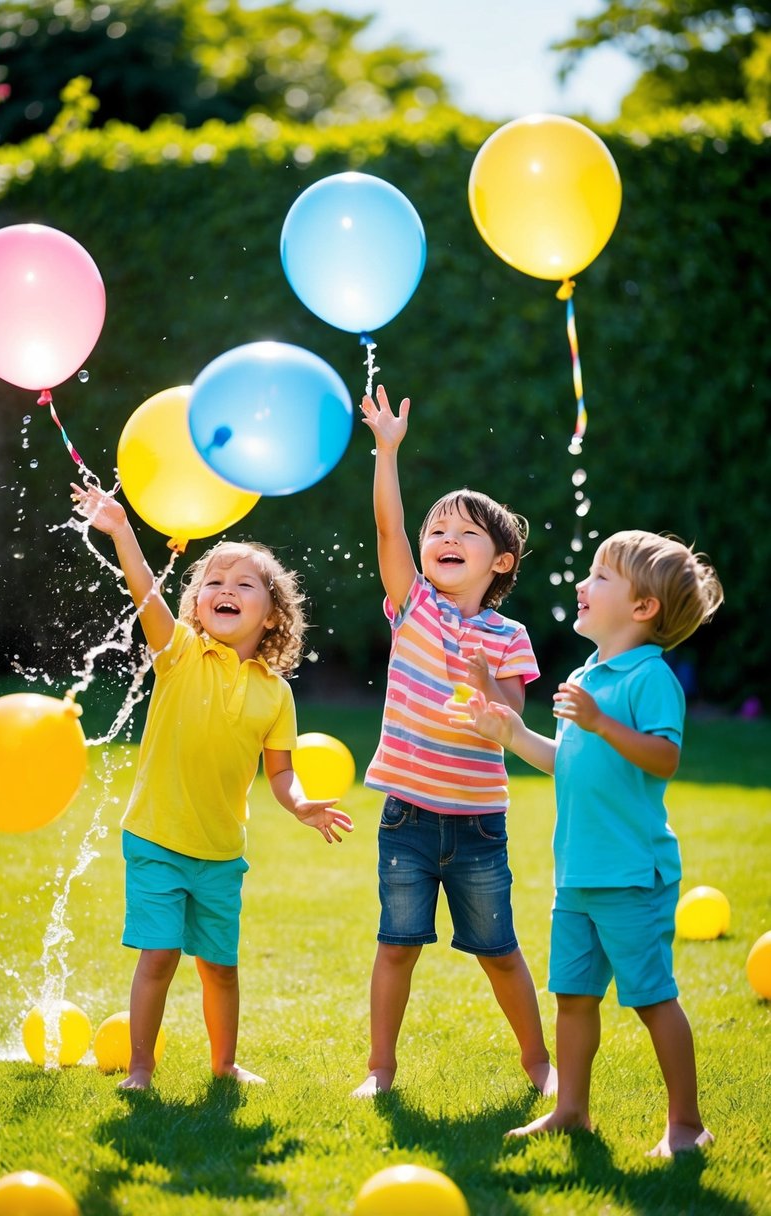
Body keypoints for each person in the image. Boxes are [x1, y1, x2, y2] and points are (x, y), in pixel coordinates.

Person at [71, 482, 353, 1090]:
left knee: (220, 969)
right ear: (197, 603)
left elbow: (280, 772)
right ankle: (141, 1069)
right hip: (156, 838)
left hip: (222, 852)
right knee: (160, 959)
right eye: (214, 583)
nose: (224, 590)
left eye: (242, 584)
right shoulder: (177, 653)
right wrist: (122, 530)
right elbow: (145, 591)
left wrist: (301, 805)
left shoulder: (275, 693)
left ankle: (223, 1065)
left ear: (272, 613)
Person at [449, 529, 723, 1155]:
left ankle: (686, 1124)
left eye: (600, 576)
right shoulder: (587, 673)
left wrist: (601, 722)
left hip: (631, 875)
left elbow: (665, 758)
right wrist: (510, 732)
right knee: (572, 998)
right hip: (578, 875)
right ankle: (571, 1110)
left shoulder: (648, 678)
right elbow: (566, 761)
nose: (582, 583)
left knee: (653, 1000)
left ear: (642, 608)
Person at [351, 386, 556, 1099]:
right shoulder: (412, 607)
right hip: (406, 816)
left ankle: (539, 1068)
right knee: (396, 946)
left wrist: (481, 681)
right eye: (438, 528)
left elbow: (508, 722)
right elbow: (388, 530)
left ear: (500, 563)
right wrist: (386, 451)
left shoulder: (508, 636)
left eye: (465, 533)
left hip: (476, 823)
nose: (443, 539)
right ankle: (380, 1071)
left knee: (498, 953)